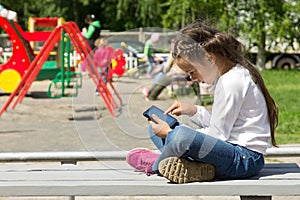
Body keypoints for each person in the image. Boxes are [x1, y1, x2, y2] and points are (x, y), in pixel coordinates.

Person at [126, 21, 278, 184]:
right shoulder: (232, 75)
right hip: (233, 153)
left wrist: (170, 134)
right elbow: (224, 125)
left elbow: (218, 135)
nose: (192, 79)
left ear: (210, 59)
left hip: (244, 160)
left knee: (180, 136)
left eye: (192, 72)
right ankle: (189, 165)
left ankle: (156, 164)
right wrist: (193, 110)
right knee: (156, 125)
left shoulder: (231, 82)